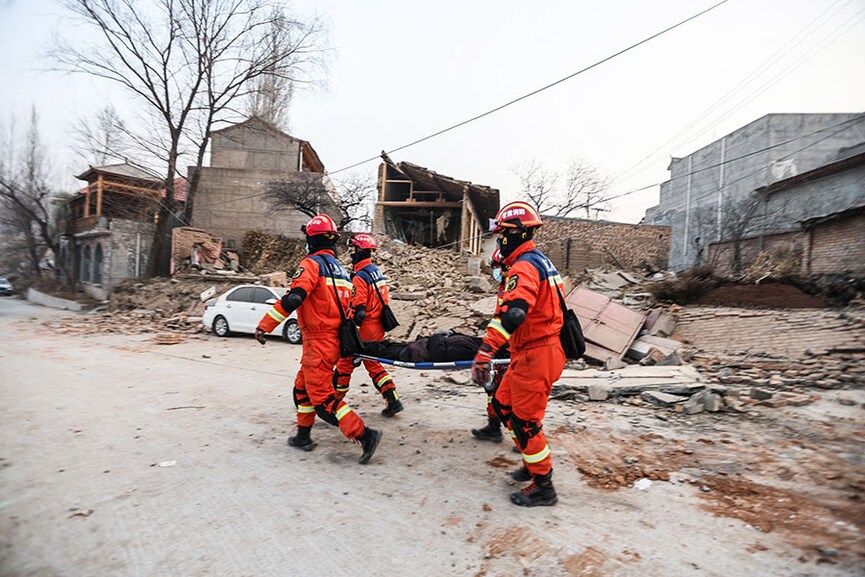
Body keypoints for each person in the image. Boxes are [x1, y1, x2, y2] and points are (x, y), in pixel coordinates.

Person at [254, 214, 381, 465]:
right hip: (334, 340)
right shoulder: (342, 272)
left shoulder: (311, 264)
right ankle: (303, 436)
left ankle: (364, 435)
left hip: (319, 342)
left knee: (323, 401)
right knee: (301, 389)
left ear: (312, 240)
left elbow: (294, 298)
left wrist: (265, 325)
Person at [471, 201, 566, 507]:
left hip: (537, 353)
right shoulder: (540, 262)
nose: (500, 240)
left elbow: (514, 314)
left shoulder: (524, 266)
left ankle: (543, 484)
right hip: (532, 351)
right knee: (502, 403)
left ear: (518, 233)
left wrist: (485, 351)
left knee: (526, 421)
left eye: (503, 234)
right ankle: (530, 458)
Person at [332, 233, 404, 417]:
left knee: (344, 365)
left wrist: (351, 335)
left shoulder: (360, 277)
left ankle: (333, 402)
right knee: (374, 364)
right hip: (377, 327)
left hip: (364, 330)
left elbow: (359, 310)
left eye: (353, 248)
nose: (350, 252)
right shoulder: (376, 272)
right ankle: (392, 399)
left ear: (361, 251)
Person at [471, 247, 508, 443]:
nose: (495, 271)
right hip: (501, 346)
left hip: (509, 348)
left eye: (498, 267)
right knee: (491, 388)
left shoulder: (513, 288)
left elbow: (509, 321)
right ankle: (493, 427)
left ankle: (523, 439)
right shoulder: (503, 287)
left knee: (507, 394)